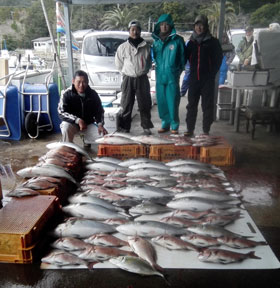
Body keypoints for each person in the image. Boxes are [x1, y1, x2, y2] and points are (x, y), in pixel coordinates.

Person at [184, 15, 223, 136]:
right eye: (197, 25)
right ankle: (190, 129)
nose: (199, 28)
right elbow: (185, 58)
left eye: (201, 25)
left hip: (207, 79)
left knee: (207, 106)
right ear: (194, 27)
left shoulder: (213, 42)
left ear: (206, 27)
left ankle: (206, 130)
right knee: (191, 105)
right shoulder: (191, 43)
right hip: (194, 78)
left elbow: (218, 59)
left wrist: (212, 74)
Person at [115, 20, 154, 135]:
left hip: (142, 78)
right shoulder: (122, 47)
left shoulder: (146, 46)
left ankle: (146, 127)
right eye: (132, 30)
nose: (135, 32)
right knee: (126, 104)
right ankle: (125, 127)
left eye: (137, 29)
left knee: (145, 104)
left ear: (140, 31)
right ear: (129, 31)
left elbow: (148, 62)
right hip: (128, 78)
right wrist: (128, 72)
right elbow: (119, 64)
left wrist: (142, 71)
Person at [152, 14, 185, 134]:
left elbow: (182, 59)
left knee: (172, 101)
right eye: (161, 24)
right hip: (160, 76)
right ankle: (165, 123)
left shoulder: (178, 40)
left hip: (172, 76)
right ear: (158, 26)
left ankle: (174, 125)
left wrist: (176, 72)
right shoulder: (156, 41)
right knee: (161, 101)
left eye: (166, 24)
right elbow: (154, 57)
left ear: (170, 25)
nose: (164, 27)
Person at [58, 70, 107, 145]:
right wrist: (78, 120)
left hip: (88, 125)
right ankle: (67, 148)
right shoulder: (66, 93)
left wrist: (100, 124)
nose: (81, 85)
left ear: (87, 82)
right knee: (65, 126)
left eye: (84, 82)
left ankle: (86, 139)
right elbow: (61, 112)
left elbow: (99, 111)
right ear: (73, 81)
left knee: (105, 137)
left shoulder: (93, 94)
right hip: (72, 124)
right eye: (78, 82)